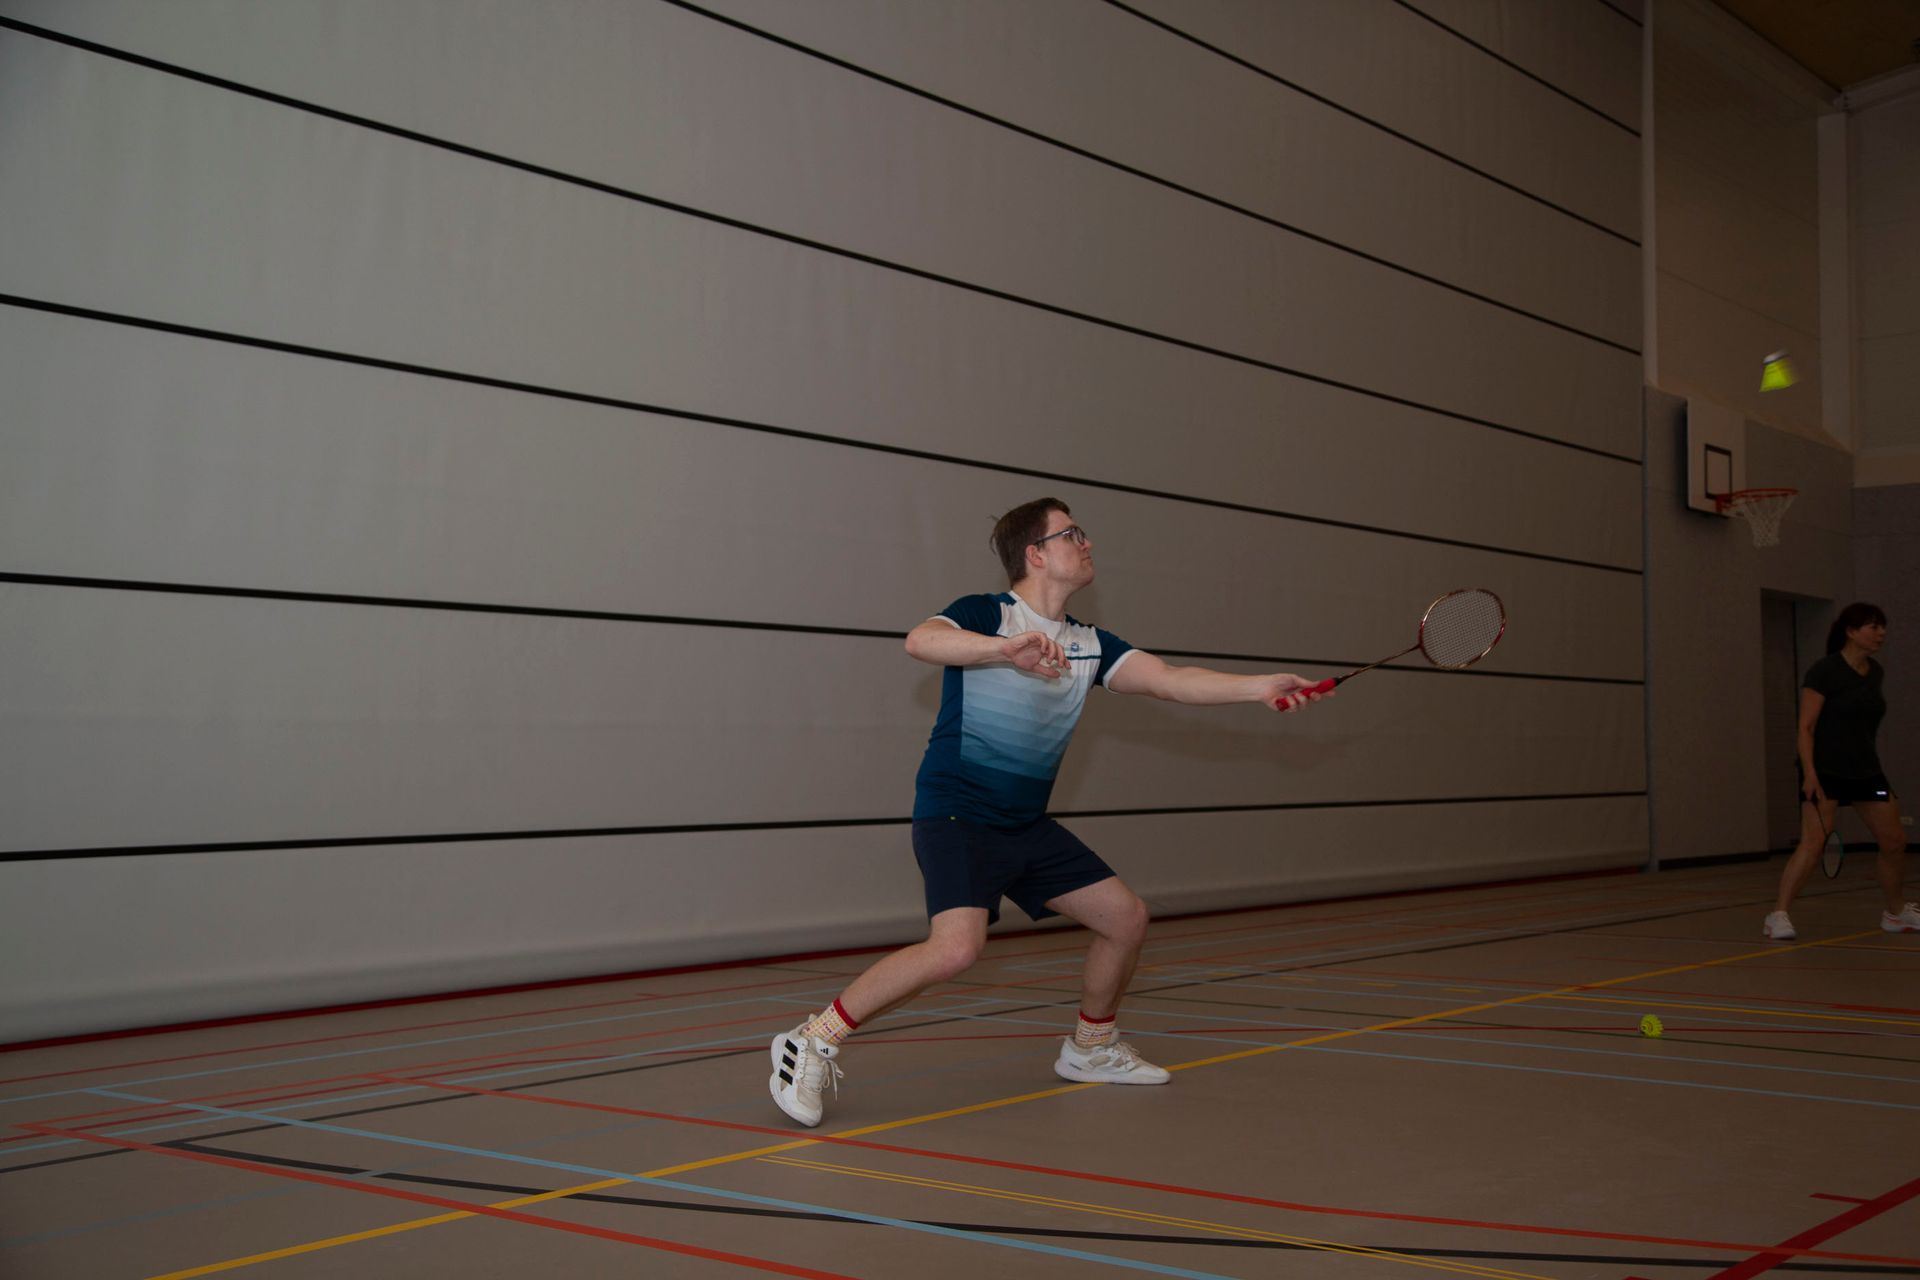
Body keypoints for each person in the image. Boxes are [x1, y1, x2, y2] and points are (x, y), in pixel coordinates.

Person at [768, 497, 1327, 1127]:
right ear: (1036, 553)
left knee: (1125, 918)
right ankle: (810, 1040)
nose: (1087, 544)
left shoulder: (1091, 645)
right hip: (958, 812)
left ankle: (1091, 1047)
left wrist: (1259, 688)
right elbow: (921, 641)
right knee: (955, 950)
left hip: (1025, 823)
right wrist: (1004, 651)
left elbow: (1170, 679)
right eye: (1073, 534)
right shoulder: (987, 615)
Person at [1765, 602, 1919, 940]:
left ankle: (1895, 913)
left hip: (1867, 775)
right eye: (1873, 627)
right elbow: (1805, 727)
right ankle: (1778, 914)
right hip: (1826, 772)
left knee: (1894, 842)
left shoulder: (1875, 671)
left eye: (1882, 627)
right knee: (1814, 844)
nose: (1881, 633)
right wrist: (1809, 774)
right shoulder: (1824, 671)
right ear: (1851, 631)